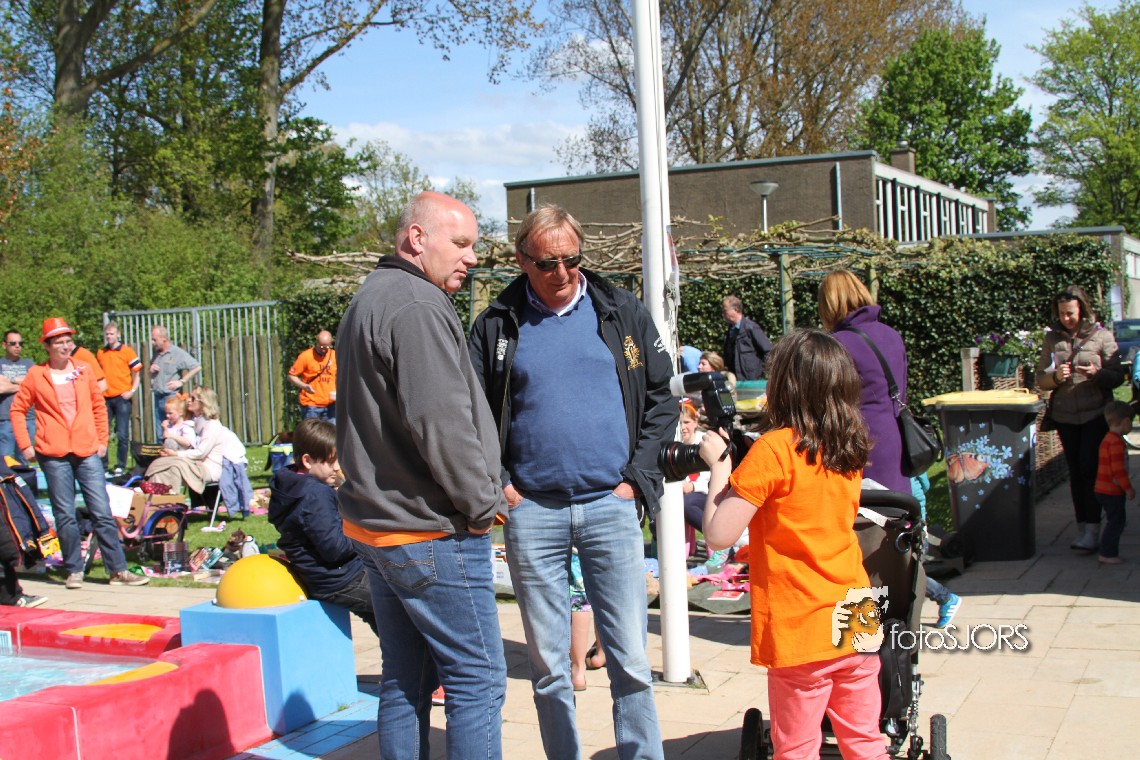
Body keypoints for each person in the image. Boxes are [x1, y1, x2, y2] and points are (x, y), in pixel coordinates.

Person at [468, 203, 675, 760]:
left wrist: (637, 479)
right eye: (546, 263)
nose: (561, 272)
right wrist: (502, 485)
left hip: (612, 504)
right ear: (522, 260)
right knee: (549, 667)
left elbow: (661, 398)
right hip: (532, 511)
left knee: (631, 659)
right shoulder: (496, 325)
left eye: (571, 259)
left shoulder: (621, 310)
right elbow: (472, 414)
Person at [336, 191, 507, 759]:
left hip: (380, 527)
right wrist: (481, 506)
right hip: (428, 530)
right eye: (460, 243)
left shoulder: (371, 294)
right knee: (477, 681)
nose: (472, 257)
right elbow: (442, 423)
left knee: (404, 679)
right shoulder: (415, 303)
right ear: (417, 238)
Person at [698, 329, 887, 760]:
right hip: (856, 610)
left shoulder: (774, 450)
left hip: (802, 623)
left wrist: (718, 468)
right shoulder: (848, 446)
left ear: (782, 385)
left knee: (797, 750)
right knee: (866, 743)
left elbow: (719, 535)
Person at [819, 270, 960, 627]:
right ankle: (905, 614)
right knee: (898, 535)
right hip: (895, 441)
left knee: (863, 539)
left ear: (830, 303)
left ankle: (865, 628)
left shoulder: (838, 344)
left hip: (861, 445)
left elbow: (832, 403)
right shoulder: (891, 335)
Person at [10, 318, 148, 590]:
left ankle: (118, 570)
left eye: (68, 341)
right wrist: (25, 445)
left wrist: (102, 440)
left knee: (102, 510)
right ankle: (73, 570)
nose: (65, 346)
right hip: (53, 454)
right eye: (59, 342)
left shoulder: (83, 371)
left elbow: (98, 406)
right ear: (47, 346)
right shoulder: (36, 374)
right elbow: (17, 409)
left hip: (87, 450)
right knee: (65, 514)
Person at [1035, 285, 1124, 552]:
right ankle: (1083, 527)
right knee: (1076, 471)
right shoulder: (1052, 339)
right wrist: (1055, 377)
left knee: (1089, 468)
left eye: (1070, 313)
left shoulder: (1101, 336)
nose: (1066, 318)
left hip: (1095, 413)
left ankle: (1094, 527)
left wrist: (1097, 374)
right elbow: (1041, 378)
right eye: (1062, 313)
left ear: (1081, 310)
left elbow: (1118, 376)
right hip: (1065, 415)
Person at [268, 418, 376, 632]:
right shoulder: (315, 494)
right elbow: (335, 548)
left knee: (389, 619)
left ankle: (402, 650)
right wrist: (362, 528)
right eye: (331, 461)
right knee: (400, 601)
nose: (337, 467)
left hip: (324, 577)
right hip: (341, 580)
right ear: (308, 461)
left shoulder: (291, 487)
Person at [145, 387, 227, 497]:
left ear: (203, 402)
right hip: (193, 463)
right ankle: (154, 498)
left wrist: (175, 454)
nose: (188, 400)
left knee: (174, 466)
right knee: (163, 468)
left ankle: (171, 498)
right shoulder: (195, 421)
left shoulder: (212, 425)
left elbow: (200, 453)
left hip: (207, 468)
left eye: (192, 398)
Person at [97, 321, 142, 474]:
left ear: (118, 335)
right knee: (103, 432)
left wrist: (132, 391)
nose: (109, 337)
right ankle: (103, 465)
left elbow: (138, 372)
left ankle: (121, 465)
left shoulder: (127, 351)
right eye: (107, 334)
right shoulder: (101, 352)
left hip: (122, 397)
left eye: (111, 334)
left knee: (122, 433)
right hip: (106, 397)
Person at [1094, 400, 1134, 564]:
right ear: (1126, 421)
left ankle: (1107, 552)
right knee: (1117, 522)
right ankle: (1107, 553)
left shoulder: (1107, 439)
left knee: (1113, 520)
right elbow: (1118, 470)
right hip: (1112, 490)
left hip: (1101, 488)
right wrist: (1128, 488)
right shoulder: (1117, 442)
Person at [148, 325, 201, 440]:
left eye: (154, 339)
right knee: (160, 432)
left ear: (164, 339)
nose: (152, 342)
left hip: (170, 397)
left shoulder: (177, 353)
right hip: (158, 396)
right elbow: (151, 375)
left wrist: (181, 381)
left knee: (172, 430)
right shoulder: (156, 353)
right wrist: (150, 371)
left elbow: (197, 367)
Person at [0, 330, 34, 465]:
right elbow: (1, 388)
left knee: (24, 460)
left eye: (20, 343)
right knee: (4, 460)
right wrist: (22, 383)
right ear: (4, 345)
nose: (17, 346)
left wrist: (9, 380)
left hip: (28, 418)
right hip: (5, 419)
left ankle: (22, 480)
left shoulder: (29, 364)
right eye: (13, 343)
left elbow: (34, 385)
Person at [288, 330, 337, 423]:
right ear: (317, 342)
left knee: (332, 431)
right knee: (312, 431)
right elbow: (291, 376)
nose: (323, 349)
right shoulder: (306, 356)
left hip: (330, 405)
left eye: (326, 346)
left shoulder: (334, 356)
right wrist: (304, 386)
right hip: (311, 405)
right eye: (321, 346)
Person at [721, 295, 773, 380]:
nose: (723, 314)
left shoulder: (751, 328)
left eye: (725, 311)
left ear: (736, 310)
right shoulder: (729, 332)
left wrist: (762, 372)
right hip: (734, 380)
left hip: (752, 381)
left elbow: (768, 351)